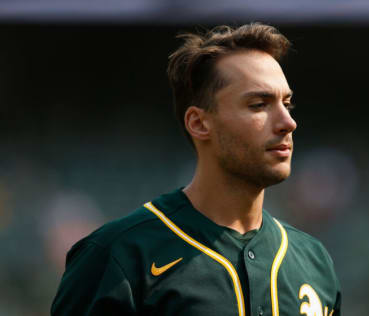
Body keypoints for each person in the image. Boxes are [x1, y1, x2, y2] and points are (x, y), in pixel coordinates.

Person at [51, 22, 341, 316]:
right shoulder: (118, 256)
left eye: (287, 104)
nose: (287, 122)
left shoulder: (314, 261)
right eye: (258, 104)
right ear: (199, 123)